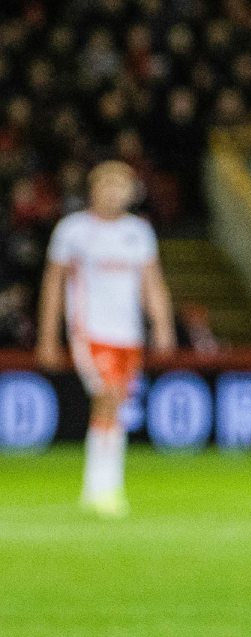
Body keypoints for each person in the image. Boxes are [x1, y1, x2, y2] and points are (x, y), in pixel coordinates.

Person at [36, 161, 175, 517]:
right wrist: (48, 336)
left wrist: (162, 325)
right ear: (92, 190)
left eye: (121, 185)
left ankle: (101, 487)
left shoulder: (138, 232)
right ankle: (104, 489)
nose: (114, 192)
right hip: (90, 331)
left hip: (127, 334)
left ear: (131, 192)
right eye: (106, 185)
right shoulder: (74, 231)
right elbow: (54, 284)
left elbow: (151, 281)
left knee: (116, 406)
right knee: (109, 397)